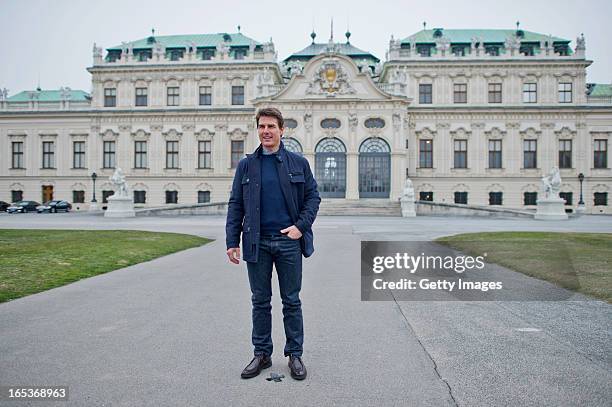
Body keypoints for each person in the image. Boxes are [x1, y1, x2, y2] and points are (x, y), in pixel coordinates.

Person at [226, 107, 320, 380]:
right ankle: (262, 354)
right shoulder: (247, 165)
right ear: (257, 130)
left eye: (271, 126)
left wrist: (300, 228)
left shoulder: (297, 163)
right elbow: (236, 204)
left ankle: (295, 355)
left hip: (288, 242)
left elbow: (313, 198)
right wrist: (232, 241)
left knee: (291, 300)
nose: (266, 131)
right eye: (262, 126)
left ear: (282, 130)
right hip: (257, 243)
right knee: (260, 301)